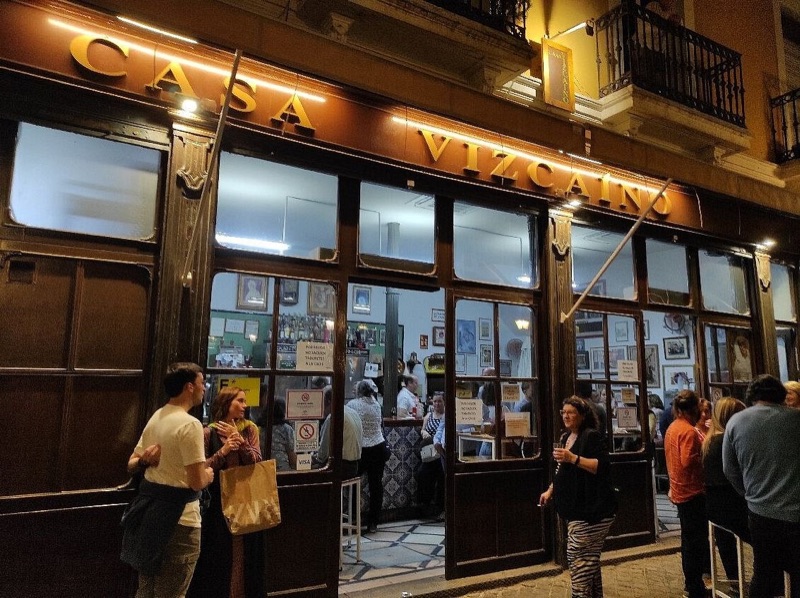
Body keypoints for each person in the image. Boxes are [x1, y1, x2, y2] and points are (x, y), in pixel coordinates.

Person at [121, 362, 214, 598]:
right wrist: (209, 475)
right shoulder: (190, 424)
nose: (205, 388)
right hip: (180, 520)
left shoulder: (158, 416)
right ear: (189, 386)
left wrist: (145, 461)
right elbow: (196, 482)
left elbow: (132, 463)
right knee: (172, 592)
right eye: (202, 383)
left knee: (146, 589)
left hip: (149, 516)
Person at [723, 374, 800, 598]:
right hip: (797, 512)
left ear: (751, 396)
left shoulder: (736, 422)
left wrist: (750, 494)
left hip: (760, 512)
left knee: (765, 573)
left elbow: (730, 470)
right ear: (781, 395)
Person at [539, 397, 617, 598]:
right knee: (588, 557)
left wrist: (572, 458)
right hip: (575, 509)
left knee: (578, 557)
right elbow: (562, 471)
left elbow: (600, 466)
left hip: (592, 510)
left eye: (570, 412)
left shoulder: (591, 436)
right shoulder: (566, 437)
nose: (565, 416)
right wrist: (550, 490)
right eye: (563, 412)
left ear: (582, 415)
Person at [189, 386, 262, 598]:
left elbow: (257, 461)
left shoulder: (249, 429)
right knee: (219, 553)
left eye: (245, 401)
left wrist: (239, 442)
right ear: (225, 404)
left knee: (243, 553)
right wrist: (223, 450)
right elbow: (201, 468)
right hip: (217, 503)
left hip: (245, 500)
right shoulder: (207, 432)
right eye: (239, 401)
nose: (244, 406)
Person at [664, 389, 710, 598]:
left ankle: (691, 584)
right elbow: (687, 461)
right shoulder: (689, 431)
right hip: (691, 491)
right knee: (695, 541)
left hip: (679, 489)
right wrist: (704, 458)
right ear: (694, 409)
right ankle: (694, 586)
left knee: (688, 540)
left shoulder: (673, 427)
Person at [701, 397, 748, 592]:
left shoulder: (709, 439)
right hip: (731, 502)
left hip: (715, 503)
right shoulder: (725, 440)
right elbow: (734, 472)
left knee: (727, 545)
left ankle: (735, 583)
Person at [349, 379, 389, 534]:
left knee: (354, 485)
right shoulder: (377, 405)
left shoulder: (353, 404)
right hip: (378, 447)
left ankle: (354, 520)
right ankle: (373, 522)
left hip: (361, 450)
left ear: (359, 390)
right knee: (376, 486)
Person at [315, 385, 363, 479]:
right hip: (355, 465)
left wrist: (314, 459)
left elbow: (323, 451)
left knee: (311, 474)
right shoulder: (352, 412)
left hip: (341, 467)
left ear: (328, 401)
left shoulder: (333, 416)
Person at [417, 393, 445, 518]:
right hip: (428, 453)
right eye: (434, 401)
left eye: (439, 401)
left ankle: (440, 508)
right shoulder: (428, 416)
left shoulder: (446, 417)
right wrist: (424, 433)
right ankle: (425, 506)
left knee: (441, 479)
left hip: (441, 453)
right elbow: (422, 429)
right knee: (423, 475)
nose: (437, 404)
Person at [259, 398, 296, 472]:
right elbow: (292, 457)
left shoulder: (260, 428)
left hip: (264, 470)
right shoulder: (286, 428)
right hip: (282, 469)